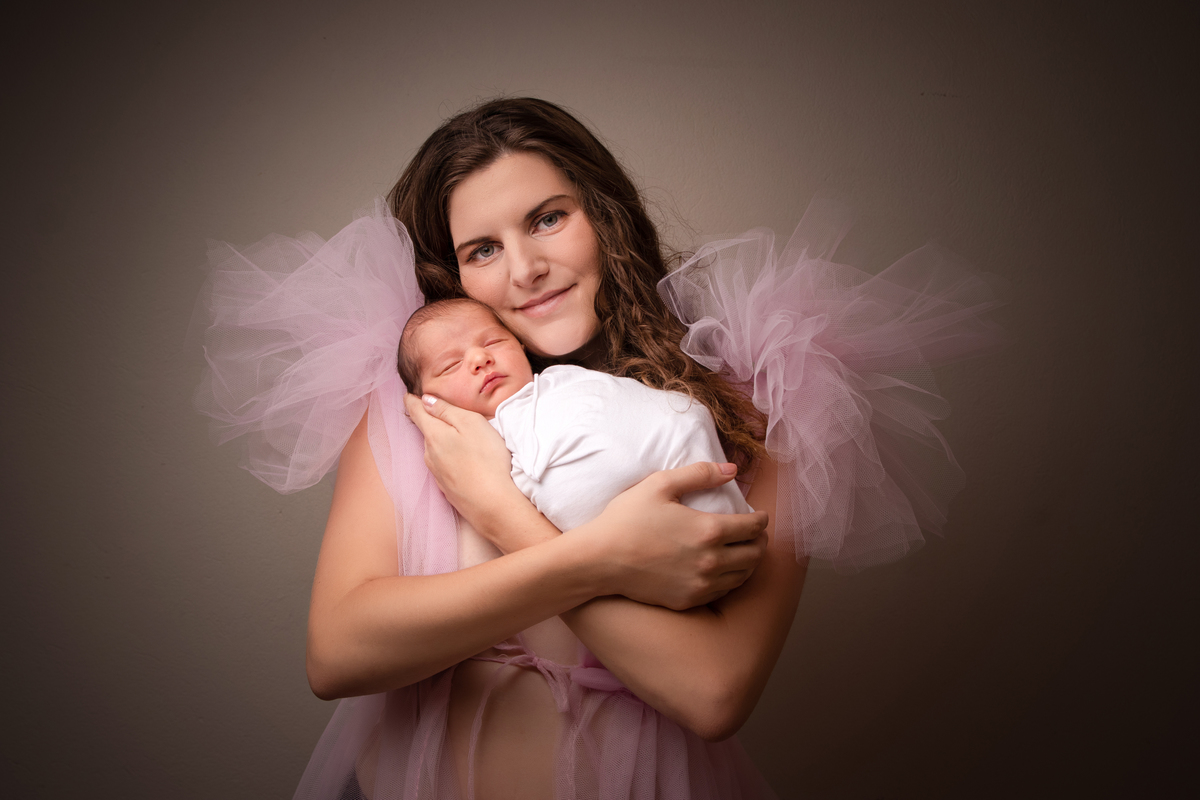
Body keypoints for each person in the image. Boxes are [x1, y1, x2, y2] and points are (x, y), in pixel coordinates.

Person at [194, 97, 1003, 800]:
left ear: (604, 216)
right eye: (483, 249)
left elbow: (714, 693)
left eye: (548, 218)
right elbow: (336, 655)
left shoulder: (760, 404)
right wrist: (605, 558)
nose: (526, 269)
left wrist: (505, 514)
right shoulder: (424, 407)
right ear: (453, 272)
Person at [396, 296, 751, 544]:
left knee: (687, 421)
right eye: (451, 365)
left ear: (521, 345)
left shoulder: (564, 381)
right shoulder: (470, 449)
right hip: (610, 540)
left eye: (493, 342)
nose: (479, 358)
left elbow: (646, 412)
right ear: (427, 400)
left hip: (677, 458)